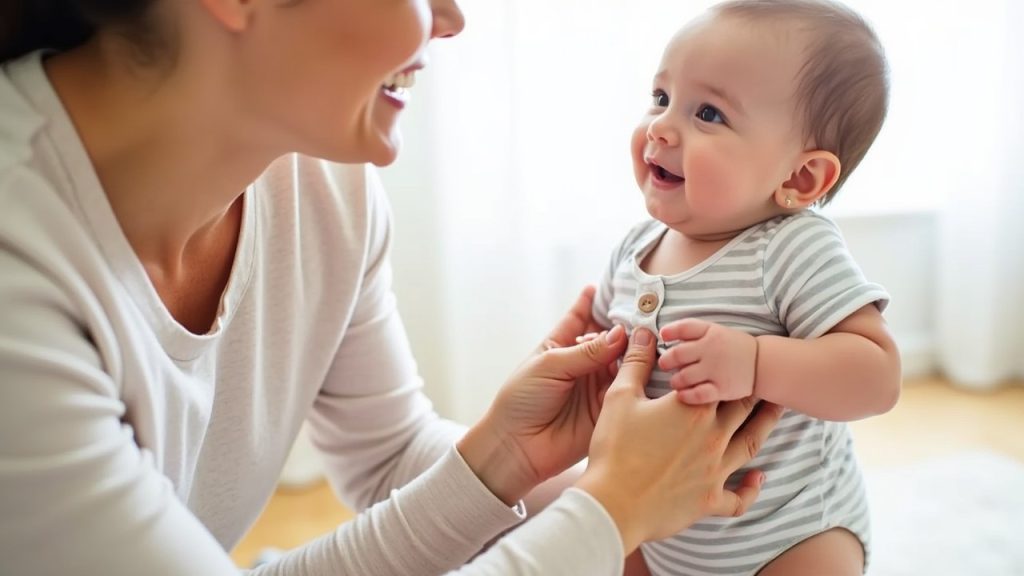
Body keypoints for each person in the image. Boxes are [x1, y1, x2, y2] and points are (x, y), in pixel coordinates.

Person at [0, 1, 784, 575]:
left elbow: (394, 460)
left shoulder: (320, 186)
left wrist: (515, 457)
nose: (450, 17)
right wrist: (608, 512)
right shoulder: (18, 273)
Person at [591, 1, 902, 575]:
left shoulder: (790, 249)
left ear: (799, 177)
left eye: (708, 113)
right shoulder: (634, 249)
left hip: (789, 532)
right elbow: (597, 348)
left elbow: (876, 376)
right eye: (662, 98)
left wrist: (756, 361)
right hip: (656, 526)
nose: (661, 125)